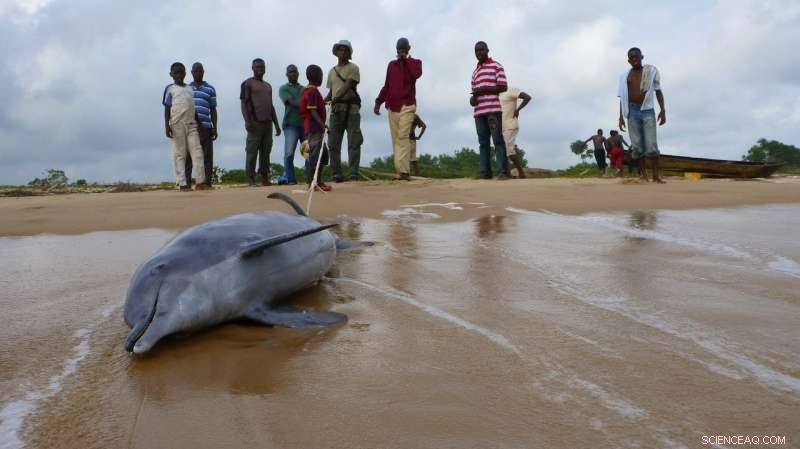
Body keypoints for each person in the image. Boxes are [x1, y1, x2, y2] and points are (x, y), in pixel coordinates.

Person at [374, 37, 423, 181]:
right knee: (396, 140)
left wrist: (406, 60)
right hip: (392, 107)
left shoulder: (415, 63)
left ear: (408, 49)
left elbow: (416, 74)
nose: (400, 51)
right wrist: (378, 102)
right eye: (399, 49)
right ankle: (401, 171)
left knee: (403, 137)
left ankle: (404, 172)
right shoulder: (391, 65)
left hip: (407, 105)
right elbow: (387, 85)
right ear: (396, 50)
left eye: (403, 49)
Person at [618, 47, 667, 183]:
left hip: (647, 110)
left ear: (642, 57)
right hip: (631, 112)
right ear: (629, 60)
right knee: (638, 146)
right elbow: (622, 97)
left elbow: (658, 91)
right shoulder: (624, 76)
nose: (634, 59)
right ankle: (643, 175)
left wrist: (663, 110)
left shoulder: (651, 71)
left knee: (651, 145)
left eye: (636, 56)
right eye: (631, 57)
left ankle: (656, 176)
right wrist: (621, 116)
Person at [162, 62, 209, 191]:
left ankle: (200, 182)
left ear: (185, 74)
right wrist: (167, 126)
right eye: (176, 72)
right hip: (177, 124)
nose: (179, 75)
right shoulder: (170, 89)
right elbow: (167, 109)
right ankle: (182, 183)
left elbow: (193, 108)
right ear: (171, 74)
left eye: (181, 72)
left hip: (192, 124)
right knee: (180, 154)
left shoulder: (189, 89)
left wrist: (200, 125)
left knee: (197, 152)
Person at [470, 41, 510, 180]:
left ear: (487, 50)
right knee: (483, 143)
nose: (479, 53)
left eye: (481, 50)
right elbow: (474, 94)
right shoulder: (475, 72)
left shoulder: (496, 66)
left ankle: (504, 172)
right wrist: (473, 99)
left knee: (497, 140)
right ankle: (485, 173)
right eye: (476, 51)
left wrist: (485, 89)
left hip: (493, 110)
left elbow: (503, 87)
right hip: (479, 112)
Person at [326, 40, 363, 182]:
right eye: (340, 49)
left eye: (345, 50)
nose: (342, 52)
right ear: (336, 52)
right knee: (333, 143)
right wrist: (320, 100)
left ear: (349, 53)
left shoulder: (354, 68)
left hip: (351, 109)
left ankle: (353, 172)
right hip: (336, 110)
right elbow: (331, 93)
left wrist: (335, 98)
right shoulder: (331, 72)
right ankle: (336, 173)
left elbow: (347, 86)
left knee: (354, 141)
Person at [241, 58, 281, 187]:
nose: (260, 69)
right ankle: (251, 179)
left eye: (262, 67)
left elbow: (271, 105)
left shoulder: (268, 86)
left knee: (266, 151)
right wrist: (247, 122)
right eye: (257, 67)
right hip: (254, 122)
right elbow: (244, 103)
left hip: (267, 123)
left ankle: (264, 178)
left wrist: (276, 124)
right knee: (252, 151)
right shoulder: (248, 83)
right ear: (252, 68)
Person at [184, 62, 217, 188]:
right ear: (192, 73)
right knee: (189, 156)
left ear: (203, 72)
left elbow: (213, 109)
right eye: (196, 71)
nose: (198, 73)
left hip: (207, 126)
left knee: (207, 156)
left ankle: (206, 182)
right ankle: (187, 182)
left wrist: (214, 127)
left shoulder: (210, 89)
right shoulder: (187, 89)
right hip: (191, 127)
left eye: (200, 71)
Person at [300, 65, 332, 192]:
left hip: (313, 129)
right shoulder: (312, 91)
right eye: (321, 76)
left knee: (323, 155)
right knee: (315, 156)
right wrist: (323, 125)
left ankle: (317, 180)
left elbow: (314, 107)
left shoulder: (310, 91)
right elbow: (313, 111)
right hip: (314, 129)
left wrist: (324, 104)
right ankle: (312, 182)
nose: (322, 78)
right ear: (316, 77)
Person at [279, 64, 304, 185]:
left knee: (308, 153)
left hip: (305, 124)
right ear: (286, 74)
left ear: (298, 74)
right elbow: (290, 102)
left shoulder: (304, 89)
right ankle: (291, 179)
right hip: (290, 125)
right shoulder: (283, 88)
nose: (293, 74)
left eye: (294, 71)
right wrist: (305, 105)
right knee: (289, 153)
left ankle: (310, 178)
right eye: (290, 72)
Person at [498, 87, 532, 178]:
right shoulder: (496, 95)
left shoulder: (510, 91)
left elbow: (527, 97)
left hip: (510, 125)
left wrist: (517, 110)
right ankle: (508, 173)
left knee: (508, 150)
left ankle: (521, 172)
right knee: (503, 150)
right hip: (500, 127)